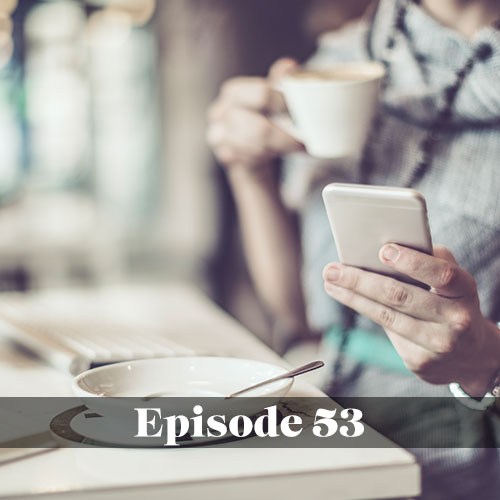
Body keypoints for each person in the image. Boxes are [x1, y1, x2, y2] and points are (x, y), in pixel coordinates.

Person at [207, 0, 500, 497]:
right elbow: (298, 312)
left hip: (468, 441)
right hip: (326, 398)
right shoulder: (336, 63)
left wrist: (487, 363)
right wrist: (248, 170)